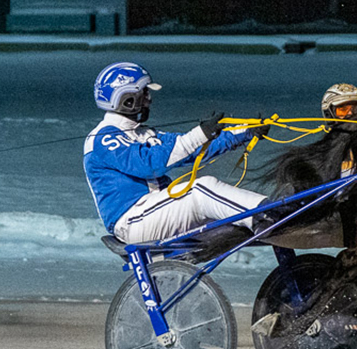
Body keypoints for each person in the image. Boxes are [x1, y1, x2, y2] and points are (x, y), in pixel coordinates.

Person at [84, 62, 269, 244]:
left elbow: (192, 148)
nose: (149, 99)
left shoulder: (144, 133)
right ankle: (268, 213)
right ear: (128, 99)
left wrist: (246, 132)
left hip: (157, 212)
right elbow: (149, 165)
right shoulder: (104, 137)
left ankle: (274, 217)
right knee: (200, 190)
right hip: (132, 221)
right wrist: (200, 134)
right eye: (145, 93)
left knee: (225, 214)